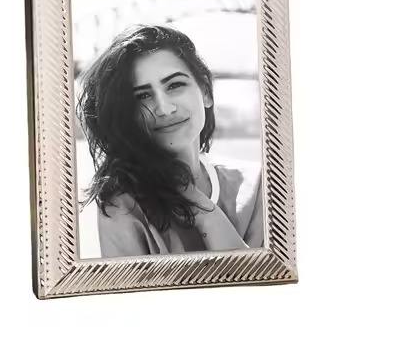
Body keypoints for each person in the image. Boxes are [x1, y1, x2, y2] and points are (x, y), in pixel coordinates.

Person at [76, 24, 263, 258]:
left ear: (205, 91)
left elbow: (264, 279)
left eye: (175, 85)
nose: (164, 109)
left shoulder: (257, 186)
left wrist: (205, 212)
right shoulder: (123, 207)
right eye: (143, 96)